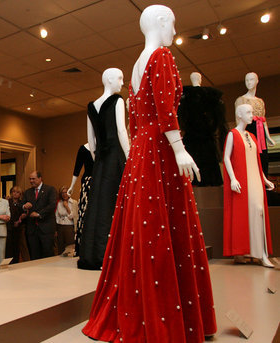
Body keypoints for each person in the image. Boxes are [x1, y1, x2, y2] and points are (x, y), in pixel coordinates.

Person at [82, 5, 217, 342]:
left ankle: (141, 308)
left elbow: (136, 121)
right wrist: (179, 147)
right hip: (157, 148)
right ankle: (167, 319)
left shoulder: (136, 64)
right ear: (160, 22)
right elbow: (165, 107)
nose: (174, 29)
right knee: (161, 228)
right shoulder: (161, 57)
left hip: (142, 151)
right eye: (172, 22)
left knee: (141, 230)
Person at [77, 67, 129, 270]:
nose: (122, 83)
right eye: (120, 78)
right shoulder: (117, 101)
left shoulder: (91, 106)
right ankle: (115, 253)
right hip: (116, 156)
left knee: (97, 206)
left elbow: (91, 141)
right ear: (109, 80)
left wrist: (98, 159)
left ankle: (94, 253)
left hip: (100, 161)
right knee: (115, 204)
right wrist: (130, 155)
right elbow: (121, 130)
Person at [223, 104, 275, 267]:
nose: (251, 115)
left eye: (252, 112)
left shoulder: (252, 136)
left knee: (258, 212)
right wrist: (232, 178)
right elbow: (226, 158)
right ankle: (246, 253)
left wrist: (265, 179)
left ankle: (261, 253)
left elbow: (257, 161)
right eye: (248, 112)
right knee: (244, 215)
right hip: (242, 180)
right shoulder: (232, 134)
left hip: (255, 180)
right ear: (239, 115)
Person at [177, 72, 228, 186]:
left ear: (200, 79)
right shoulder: (185, 96)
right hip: (194, 139)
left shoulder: (210, 96)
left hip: (203, 140)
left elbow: (217, 120)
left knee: (205, 169)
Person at [235, 72, 276, 176]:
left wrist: (268, 137)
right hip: (249, 129)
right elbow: (238, 120)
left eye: (251, 79)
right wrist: (241, 136)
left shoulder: (260, 101)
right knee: (251, 158)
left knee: (263, 159)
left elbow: (263, 120)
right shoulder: (241, 100)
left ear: (257, 81)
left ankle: (264, 183)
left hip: (261, 132)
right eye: (246, 80)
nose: (249, 82)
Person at [21, 171, 57, 260]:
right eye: (30, 179)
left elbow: (52, 205)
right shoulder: (27, 192)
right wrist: (24, 206)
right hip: (32, 231)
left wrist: (39, 214)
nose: (31, 181)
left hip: (46, 230)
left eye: (33, 179)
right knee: (34, 257)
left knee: (48, 257)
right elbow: (21, 205)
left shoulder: (50, 189)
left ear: (40, 178)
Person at [67, 143, 94, 257]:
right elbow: (77, 169)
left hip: (103, 182)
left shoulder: (105, 145)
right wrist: (72, 186)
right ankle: (84, 248)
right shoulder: (83, 149)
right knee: (85, 214)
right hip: (88, 184)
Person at [6, 186, 26, 264]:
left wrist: (19, 221)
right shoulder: (7, 202)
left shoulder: (21, 203)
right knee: (8, 248)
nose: (15, 193)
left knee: (16, 248)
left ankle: (15, 263)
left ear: (20, 194)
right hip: (9, 227)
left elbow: (24, 214)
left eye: (17, 192)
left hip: (18, 228)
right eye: (14, 191)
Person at [55, 186, 78, 255]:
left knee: (69, 248)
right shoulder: (59, 203)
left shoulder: (74, 202)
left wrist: (66, 206)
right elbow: (57, 216)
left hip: (69, 227)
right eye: (62, 193)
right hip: (60, 227)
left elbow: (73, 217)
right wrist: (56, 228)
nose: (64, 194)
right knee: (60, 247)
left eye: (66, 192)